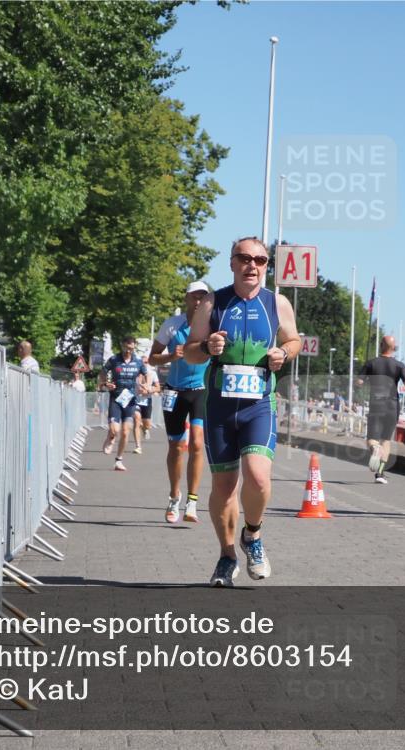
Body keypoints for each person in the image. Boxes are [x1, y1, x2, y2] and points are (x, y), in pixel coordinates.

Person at [185, 238, 301, 586]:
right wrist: (207, 346)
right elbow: (189, 351)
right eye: (245, 258)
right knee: (223, 487)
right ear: (233, 263)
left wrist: (284, 353)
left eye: (260, 260)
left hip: (259, 405)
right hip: (220, 406)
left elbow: (293, 339)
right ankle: (226, 555)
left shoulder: (277, 303)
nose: (252, 265)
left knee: (258, 477)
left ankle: (252, 534)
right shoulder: (212, 302)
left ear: (266, 265)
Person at [149, 281, 211, 523]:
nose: (198, 302)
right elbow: (152, 358)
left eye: (203, 297)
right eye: (194, 297)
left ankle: (192, 501)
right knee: (176, 447)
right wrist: (169, 356)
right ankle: (174, 496)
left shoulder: (212, 325)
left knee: (197, 442)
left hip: (200, 390)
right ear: (186, 298)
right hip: (174, 391)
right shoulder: (172, 325)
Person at [357, 335, 405, 485]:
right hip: (392, 406)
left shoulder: (371, 363)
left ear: (381, 345)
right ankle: (380, 474)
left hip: (377, 405)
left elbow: (359, 382)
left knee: (372, 439)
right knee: (386, 440)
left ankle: (375, 448)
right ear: (394, 348)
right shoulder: (399, 365)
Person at [98, 335, 148, 472]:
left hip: (130, 399)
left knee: (126, 432)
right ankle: (111, 435)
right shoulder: (114, 359)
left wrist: (145, 386)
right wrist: (105, 383)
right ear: (122, 346)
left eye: (131, 348)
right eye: (126, 348)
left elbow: (146, 375)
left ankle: (119, 460)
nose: (128, 351)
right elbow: (103, 372)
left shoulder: (138, 361)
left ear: (134, 347)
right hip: (116, 398)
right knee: (115, 429)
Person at [132, 357, 159, 455]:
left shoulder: (152, 373)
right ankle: (138, 447)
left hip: (147, 401)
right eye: (143, 362)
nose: (145, 364)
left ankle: (145, 428)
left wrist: (149, 390)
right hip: (135, 400)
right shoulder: (134, 373)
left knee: (147, 424)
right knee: (136, 420)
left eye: (146, 362)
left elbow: (158, 388)